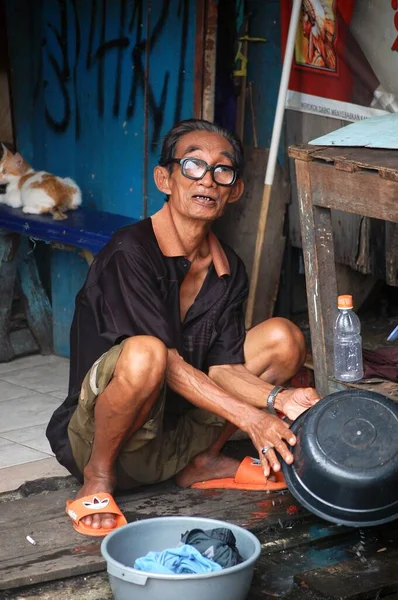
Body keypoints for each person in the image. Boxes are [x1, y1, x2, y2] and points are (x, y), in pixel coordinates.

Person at [46, 118, 319, 534]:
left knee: (284, 338)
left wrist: (281, 399)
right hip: (106, 441)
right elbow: (166, 365)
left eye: (222, 170)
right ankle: (98, 478)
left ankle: (202, 461)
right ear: (165, 178)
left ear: (235, 190)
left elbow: (225, 368)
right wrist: (254, 419)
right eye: (193, 165)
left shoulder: (229, 270)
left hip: (176, 437)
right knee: (148, 353)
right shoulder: (130, 250)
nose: (208, 180)